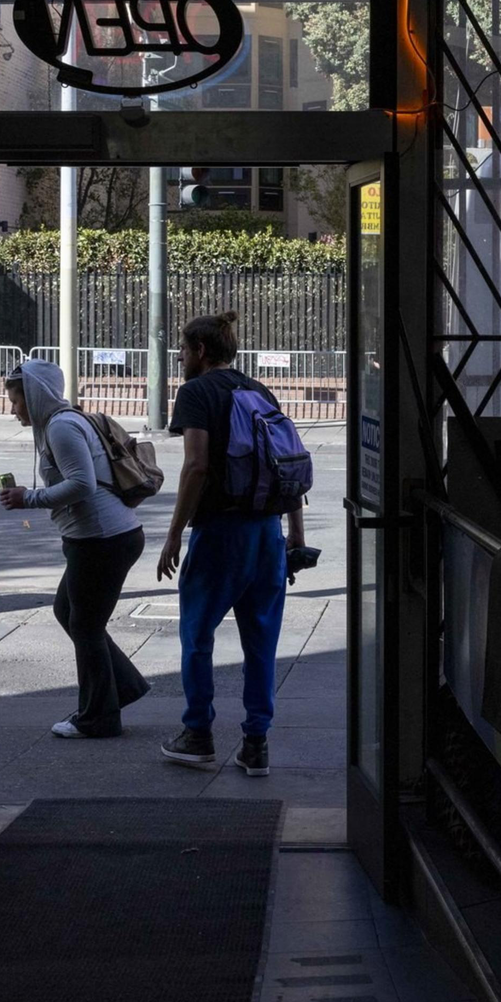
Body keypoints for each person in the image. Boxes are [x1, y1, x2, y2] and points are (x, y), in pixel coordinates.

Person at [156, 311, 307, 776]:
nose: (180, 358)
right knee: (261, 642)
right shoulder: (257, 390)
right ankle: (255, 744)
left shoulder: (196, 392)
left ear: (200, 351)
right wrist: (295, 539)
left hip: (221, 534)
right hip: (267, 535)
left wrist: (174, 532)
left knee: (198, 636)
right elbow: (286, 465)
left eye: (182, 350)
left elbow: (196, 466)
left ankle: (198, 734)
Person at [0, 359, 150, 738]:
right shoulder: (59, 423)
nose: (13, 408)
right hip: (103, 537)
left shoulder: (62, 427)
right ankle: (123, 687)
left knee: (85, 625)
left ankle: (98, 717)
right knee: (68, 610)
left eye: (17, 401)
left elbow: (82, 485)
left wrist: (28, 497)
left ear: (34, 396)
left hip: (102, 540)